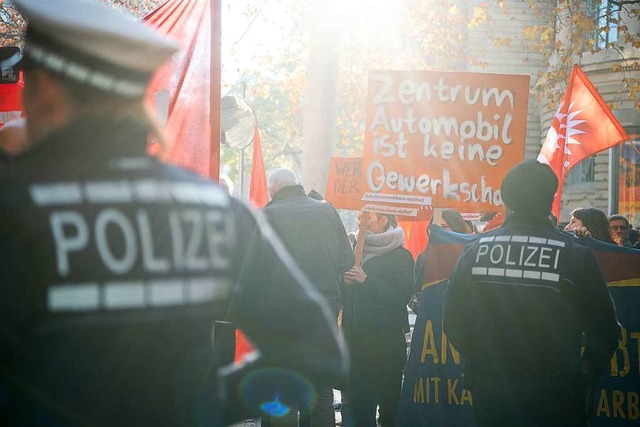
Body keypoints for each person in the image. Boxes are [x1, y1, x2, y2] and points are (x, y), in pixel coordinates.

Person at [0, 1, 347, 426]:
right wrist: (209, 406)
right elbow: (316, 351)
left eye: (27, 86)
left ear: (48, 93)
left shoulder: (15, 207)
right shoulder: (216, 212)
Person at [444, 161, 620, 427]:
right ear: (550, 200)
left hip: (492, 394)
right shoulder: (574, 254)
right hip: (557, 396)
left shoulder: (475, 250)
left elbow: (453, 321)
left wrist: (484, 363)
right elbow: (605, 329)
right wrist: (581, 373)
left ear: (507, 200)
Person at [261, 168, 354, 427]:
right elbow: (346, 260)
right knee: (321, 388)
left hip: (281, 314)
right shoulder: (327, 211)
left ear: (272, 191)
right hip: (324, 311)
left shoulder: (265, 216)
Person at [341, 211, 414, 427]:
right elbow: (347, 299)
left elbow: (400, 297)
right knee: (360, 406)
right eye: (359, 219)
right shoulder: (355, 252)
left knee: (389, 405)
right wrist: (345, 284)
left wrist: (366, 280)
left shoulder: (401, 256)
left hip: (386, 344)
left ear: (384, 221)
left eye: (368, 218)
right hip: (356, 343)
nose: (361, 223)